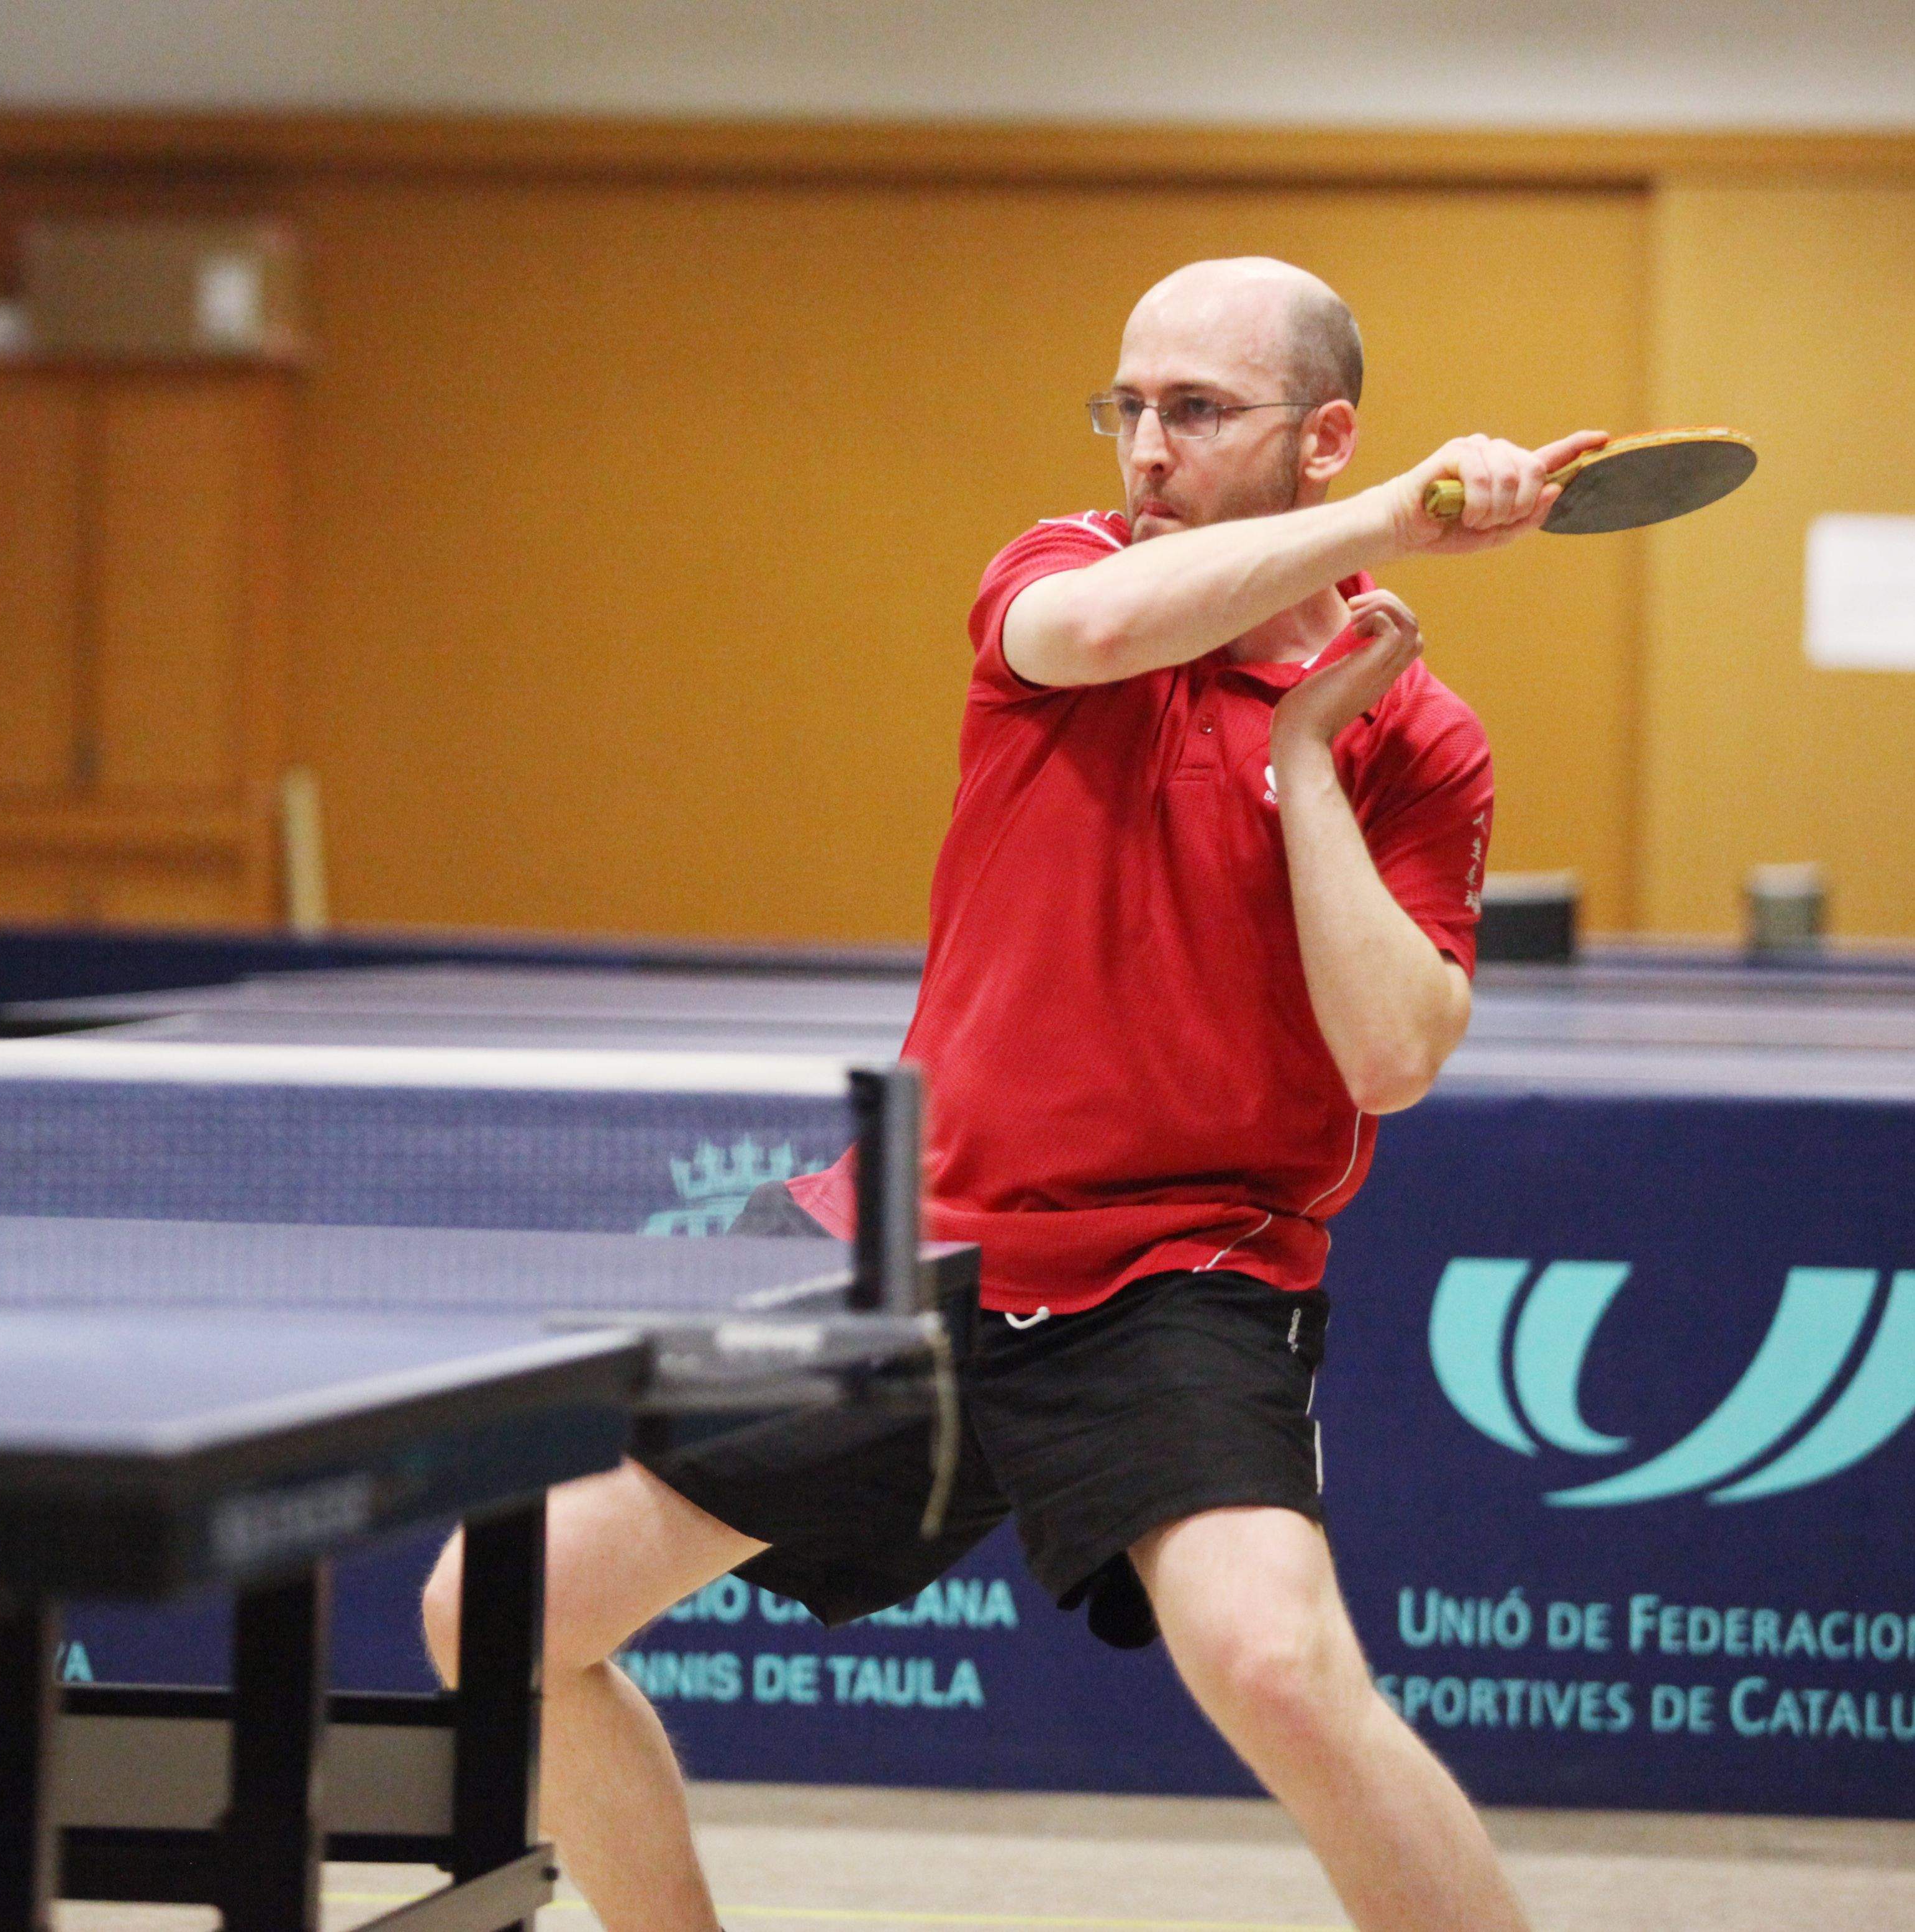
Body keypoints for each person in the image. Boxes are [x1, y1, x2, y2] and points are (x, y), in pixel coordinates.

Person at [420, 256, 1598, 1932]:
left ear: (1321, 435)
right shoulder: (1059, 575)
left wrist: (1303, 764)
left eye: (1196, 411)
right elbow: (1101, 633)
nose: (1145, 448)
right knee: (496, 1610)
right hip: (904, 1243)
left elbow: (1394, 1056)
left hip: (1180, 1271)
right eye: (1129, 405)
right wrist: (1401, 523)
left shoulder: (1418, 738)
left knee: (1275, 1668)